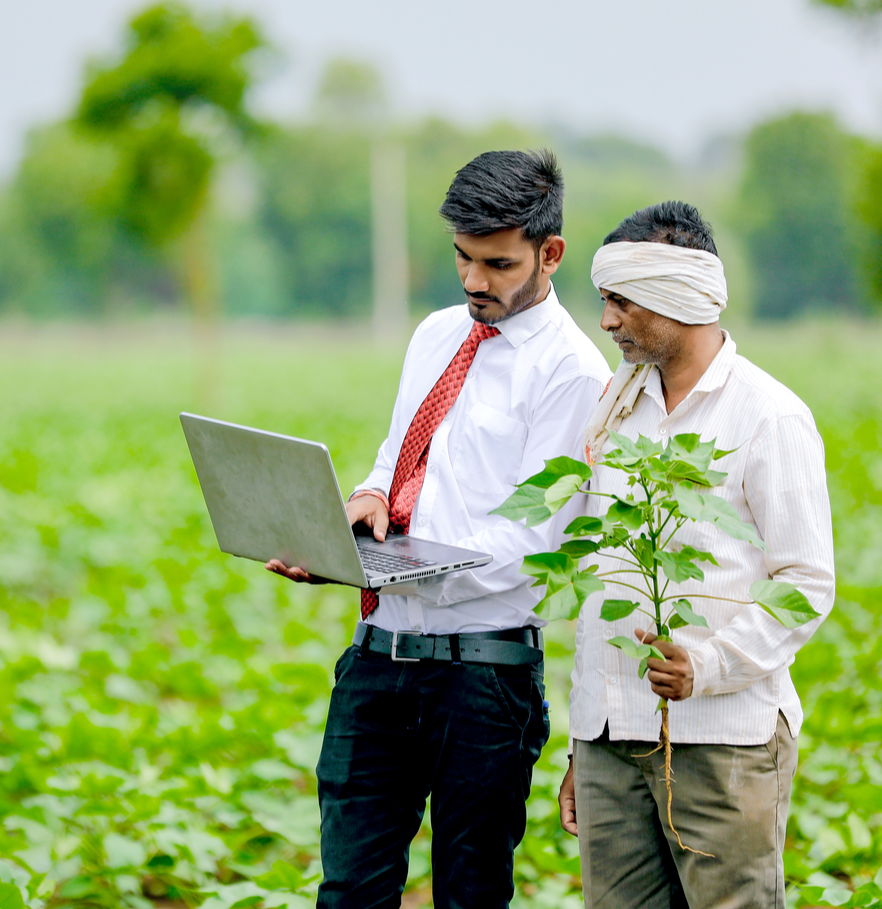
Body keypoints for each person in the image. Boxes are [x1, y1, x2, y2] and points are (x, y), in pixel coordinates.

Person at [268, 150, 609, 909]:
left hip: (482, 679)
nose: (472, 281)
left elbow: (539, 548)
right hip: (378, 659)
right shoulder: (433, 335)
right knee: (348, 891)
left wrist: (404, 566)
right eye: (461, 256)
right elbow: (399, 455)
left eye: (496, 262)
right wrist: (361, 508)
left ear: (549, 254)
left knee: (469, 894)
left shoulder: (571, 371)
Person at [560, 201, 836, 909]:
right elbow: (597, 580)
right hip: (608, 741)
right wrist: (579, 746)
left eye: (619, 302)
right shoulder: (613, 408)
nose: (606, 321)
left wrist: (708, 664)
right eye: (603, 301)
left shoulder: (767, 415)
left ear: (676, 296)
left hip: (724, 741)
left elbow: (804, 580)